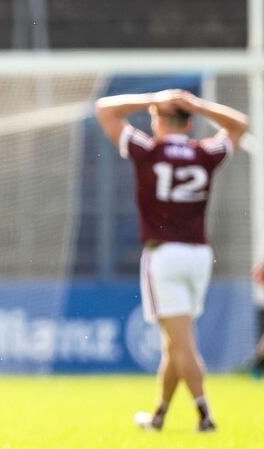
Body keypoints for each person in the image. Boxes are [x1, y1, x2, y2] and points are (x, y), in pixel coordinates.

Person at [95, 89, 248, 432]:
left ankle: (205, 416)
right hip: (198, 255)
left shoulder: (149, 149)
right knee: (174, 344)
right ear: (191, 123)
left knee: (183, 344)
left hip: (165, 255)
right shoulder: (204, 153)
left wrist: (154, 96)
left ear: (158, 120)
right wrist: (197, 103)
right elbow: (240, 126)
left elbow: (105, 110)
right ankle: (159, 415)